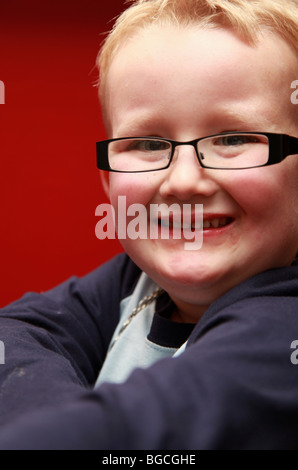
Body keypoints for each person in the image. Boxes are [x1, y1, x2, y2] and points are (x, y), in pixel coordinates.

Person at [0, 0, 297, 450]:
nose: (182, 182)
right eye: (147, 143)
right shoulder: (136, 283)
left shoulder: (282, 330)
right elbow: (14, 337)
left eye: (234, 138)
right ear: (108, 179)